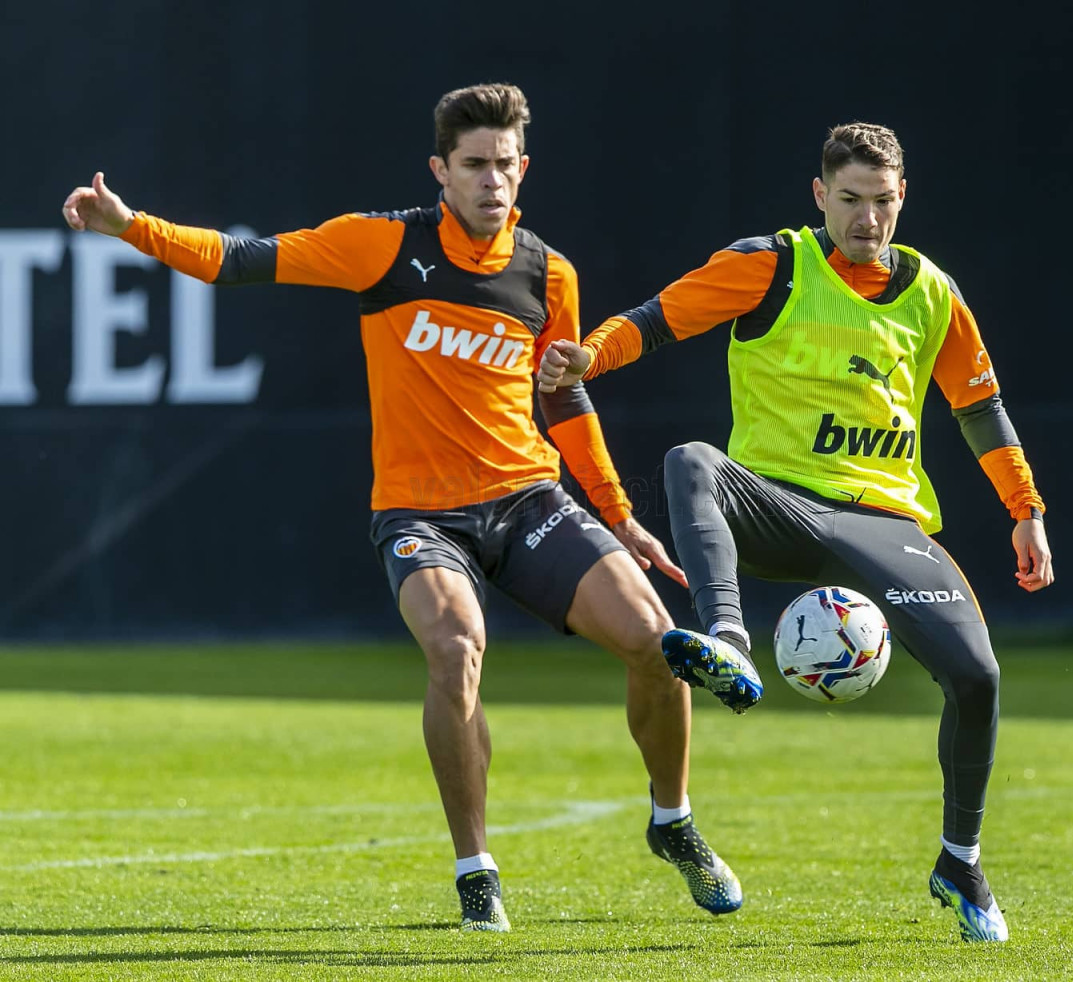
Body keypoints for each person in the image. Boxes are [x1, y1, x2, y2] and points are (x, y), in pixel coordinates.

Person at [62, 82, 744, 932]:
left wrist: (617, 515)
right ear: (439, 171)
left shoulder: (549, 273)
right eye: (474, 164)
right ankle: (476, 872)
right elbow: (237, 259)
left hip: (527, 499)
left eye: (504, 164)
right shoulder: (380, 245)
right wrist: (129, 225)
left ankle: (673, 821)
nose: (491, 180)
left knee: (654, 639)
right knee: (456, 648)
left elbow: (565, 398)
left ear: (523, 168)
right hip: (422, 516)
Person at [536, 121, 1054, 943]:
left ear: (903, 197)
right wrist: (588, 358)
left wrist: (1025, 510)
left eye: (882, 201)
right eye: (849, 200)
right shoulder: (770, 265)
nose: (867, 219)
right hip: (776, 505)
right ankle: (730, 640)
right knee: (691, 461)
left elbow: (978, 407)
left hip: (884, 522)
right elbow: (655, 320)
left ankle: (960, 863)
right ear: (819, 195)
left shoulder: (932, 292)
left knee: (978, 678)